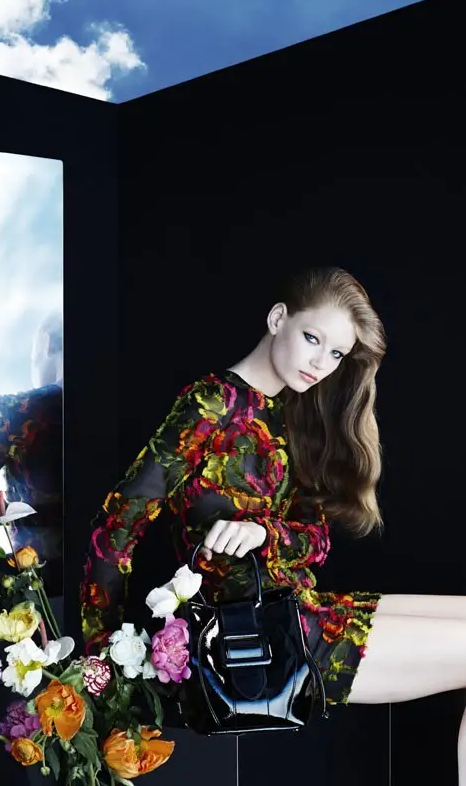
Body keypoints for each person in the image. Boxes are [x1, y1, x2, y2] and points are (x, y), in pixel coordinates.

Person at [79, 266, 466, 781]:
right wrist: (100, 659)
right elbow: (116, 526)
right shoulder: (211, 404)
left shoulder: (291, 414)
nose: (321, 363)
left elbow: (316, 540)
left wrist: (264, 533)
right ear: (278, 318)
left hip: (296, 608)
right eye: (313, 339)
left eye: (336, 354)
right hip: (256, 638)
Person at [0, 310, 64, 596]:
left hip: (35, 589)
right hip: (108, 587)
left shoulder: (11, 413)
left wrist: (10, 513)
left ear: (47, 343)